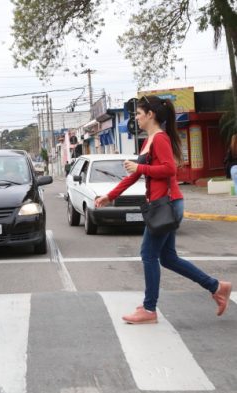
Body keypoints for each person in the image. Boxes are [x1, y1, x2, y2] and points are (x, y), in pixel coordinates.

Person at [95, 95, 232, 324]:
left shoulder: (160, 139)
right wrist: (110, 196)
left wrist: (140, 166)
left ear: (151, 115)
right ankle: (216, 286)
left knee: (148, 254)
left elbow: (169, 170)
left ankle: (149, 309)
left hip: (166, 205)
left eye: (139, 114)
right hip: (163, 204)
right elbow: (136, 175)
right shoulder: (148, 140)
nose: (136, 118)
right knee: (167, 258)